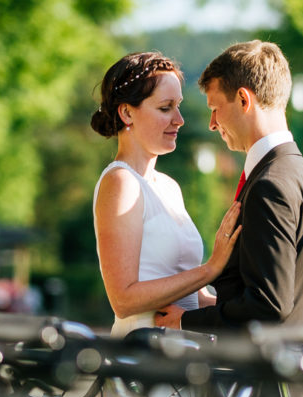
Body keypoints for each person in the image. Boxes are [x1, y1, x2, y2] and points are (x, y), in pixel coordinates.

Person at [154, 41, 303, 332]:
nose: (212, 124)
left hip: (265, 374)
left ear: (243, 99)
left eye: (215, 108)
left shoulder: (269, 186)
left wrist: (186, 321)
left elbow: (268, 306)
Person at [91, 51, 242, 337]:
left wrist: (255, 307)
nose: (180, 119)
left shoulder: (170, 187)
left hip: (184, 355)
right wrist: (209, 270)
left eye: (179, 106)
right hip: (142, 361)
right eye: (165, 108)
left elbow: (190, 298)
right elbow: (123, 300)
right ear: (127, 113)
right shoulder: (121, 181)